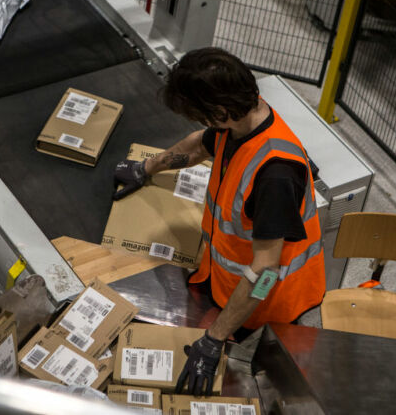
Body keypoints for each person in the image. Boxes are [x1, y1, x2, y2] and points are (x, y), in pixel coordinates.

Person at [112, 47, 325, 396]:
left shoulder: (276, 174)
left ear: (222, 111)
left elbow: (266, 273)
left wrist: (214, 339)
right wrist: (147, 167)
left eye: (202, 115)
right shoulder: (242, 120)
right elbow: (201, 146)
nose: (201, 124)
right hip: (225, 284)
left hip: (268, 310)